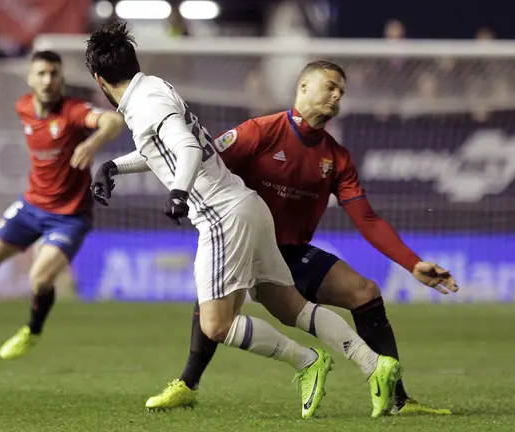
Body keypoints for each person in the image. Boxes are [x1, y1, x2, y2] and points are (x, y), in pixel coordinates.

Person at [85, 20, 402, 418]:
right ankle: (375, 364)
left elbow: (185, 149)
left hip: (220, 216)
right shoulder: (152, 90)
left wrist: (180, 193)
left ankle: (308, 363)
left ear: (99, 78)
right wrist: (113, 166)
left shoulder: (145, 104)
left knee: (216, 325)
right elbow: (164, 149)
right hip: (247, 205)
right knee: (289, 306)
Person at [139, 60, 460, 416]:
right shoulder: (260, 131)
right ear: (303, 87)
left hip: (289, 254)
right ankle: (187, 385)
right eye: (330, 86)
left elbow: (366, 218)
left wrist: (411, 263)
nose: (337, 95)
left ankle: (398, 399)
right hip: (238, 238)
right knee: (213, 307)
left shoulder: (336, 158)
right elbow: (202, 161)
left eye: (341, 91)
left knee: (365, 292)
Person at [0, 50, 125, 360]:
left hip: (69, 217)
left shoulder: (73, 111)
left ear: (62, 79)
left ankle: (31, 331)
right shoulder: (24, 107)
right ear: (30, 78)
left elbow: (114, 121)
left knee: (40, 277)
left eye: (54, 74)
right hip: (31, 206)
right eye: (42, 74)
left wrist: (91, 143)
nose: (48, 80)